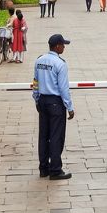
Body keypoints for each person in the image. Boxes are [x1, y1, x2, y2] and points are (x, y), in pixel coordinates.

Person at [33, 33, 75, 180]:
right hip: (56, 103)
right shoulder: (60, 64)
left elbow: (35, 82)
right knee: (56, 136)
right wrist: (69, 107)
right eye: (63, 45)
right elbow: (63, 88)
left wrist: (36, 99)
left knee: (43, 136)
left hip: (43, 101)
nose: (64, 47)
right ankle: (55, 170)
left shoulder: (39, 61)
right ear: (57, 46)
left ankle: (43, 168)